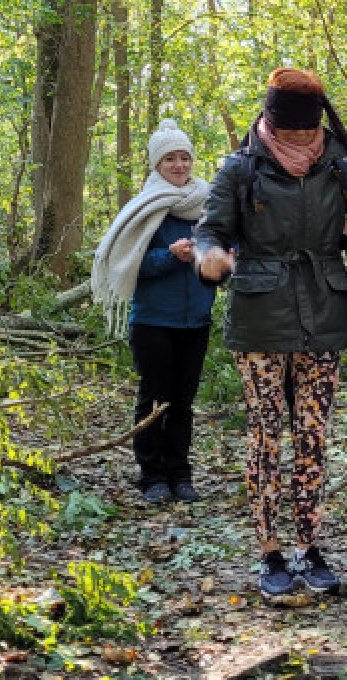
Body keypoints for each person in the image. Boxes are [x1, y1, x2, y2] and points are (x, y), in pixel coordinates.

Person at [192, 68, 347, 601]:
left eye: (308, 132)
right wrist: (209, 257)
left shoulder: (340, 170)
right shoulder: (239, 169)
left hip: (325, 311)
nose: (301, 142)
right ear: (271, 123)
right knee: (266, 434)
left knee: (313, 432)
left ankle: (309, 544)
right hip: (259, 313)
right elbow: (212, 229)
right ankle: (269, 549)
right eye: (291, 133)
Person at [91, 119, 216, 506]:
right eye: (170, 160)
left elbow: (220, 256)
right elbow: (126, 265)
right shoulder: (143, 208)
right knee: (153, 399)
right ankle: (151, 476)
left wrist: (219, 261)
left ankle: (181, 475)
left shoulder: (207, 204)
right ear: (156, 165)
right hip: (152, 320)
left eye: (184, 158)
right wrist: (170, 257)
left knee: (183, 400)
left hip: (196, 318)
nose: (179, 165)